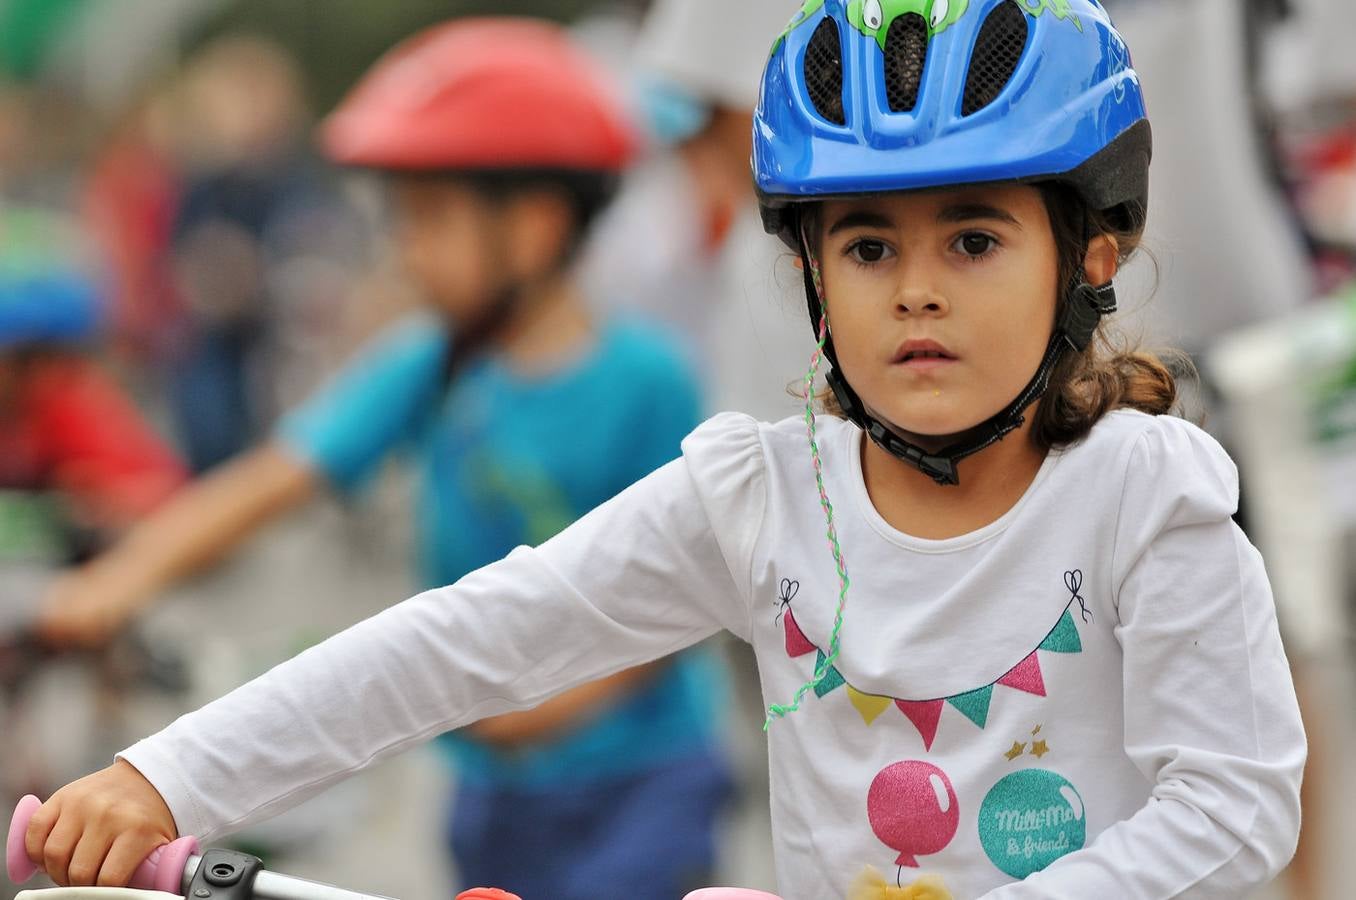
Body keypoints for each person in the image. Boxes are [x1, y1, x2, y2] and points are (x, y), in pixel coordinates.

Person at [24, 3, 1306, 898]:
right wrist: (171, 772)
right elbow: (469, 639)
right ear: (808, 276)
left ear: (1091, 257)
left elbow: (1236, 808)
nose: (916, 291)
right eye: (867, 246)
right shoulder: (759, 495)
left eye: (973, 240)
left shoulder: (1146, 496)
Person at [35, 18, 731, 900]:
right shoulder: (430, 363)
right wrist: (118, 580)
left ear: (536, 224)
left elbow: (675, 590)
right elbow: (274, 478)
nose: (406, 248)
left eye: (431, 218)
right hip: (490, 790)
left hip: (639, 785)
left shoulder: (648, 379)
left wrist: (548, 707)